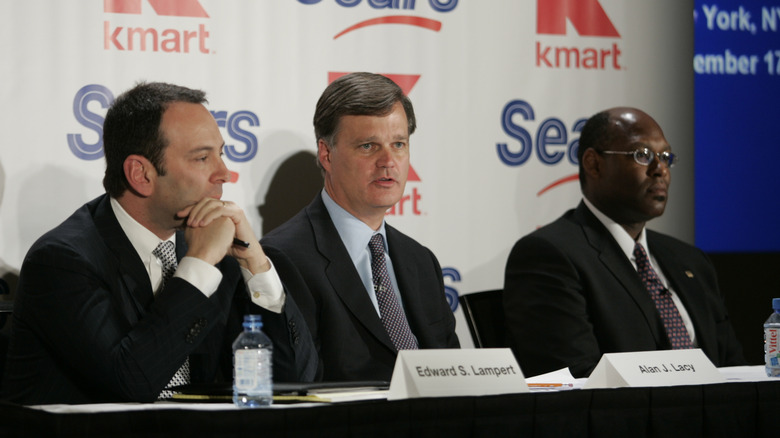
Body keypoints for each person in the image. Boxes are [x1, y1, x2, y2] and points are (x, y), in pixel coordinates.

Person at [1, 82, 317, 405]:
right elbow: (132, 384)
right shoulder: (62, 262)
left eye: (220, 154)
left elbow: (295, 382)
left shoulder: (216, 251)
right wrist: (199, 264)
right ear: (141, 174)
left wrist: (256, 264)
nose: (224, 173)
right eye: (202, 158)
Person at [503, 107, 746, 378]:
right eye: (642, 155)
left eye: (665, 157)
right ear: (593, 164)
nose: (660, 170)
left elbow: (732, 369)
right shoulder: (550, 256)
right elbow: (577, 381)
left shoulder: (690, 261)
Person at [261, 72, 459, 382]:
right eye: (368, 146)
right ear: (326, 154)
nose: (388, 161)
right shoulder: (284, 257)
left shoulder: (420, 260)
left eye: (398, 144)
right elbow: (298, 381)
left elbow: (453, 374)